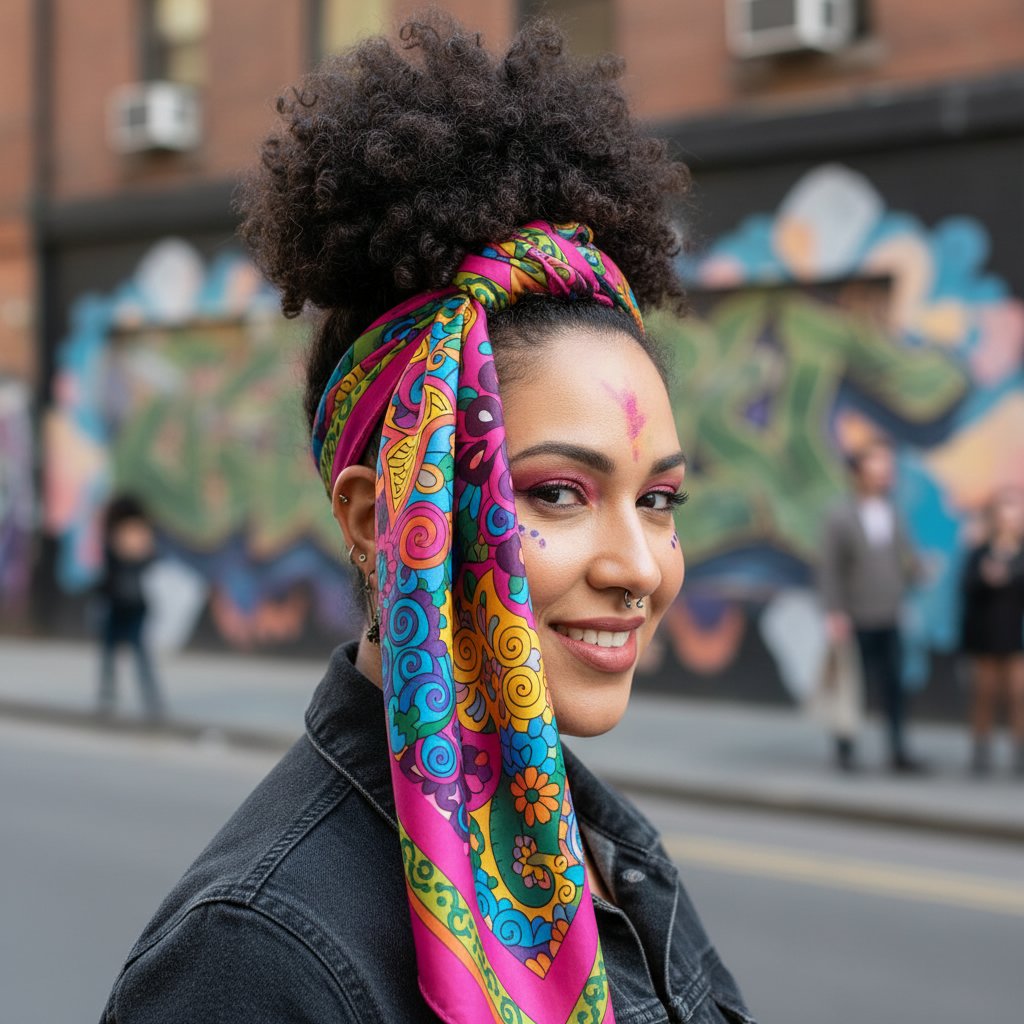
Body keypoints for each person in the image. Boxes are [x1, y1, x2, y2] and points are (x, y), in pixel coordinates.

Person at [99, 18, 755, 1024]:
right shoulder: (251, 958)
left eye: (657, 498)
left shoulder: (604, 856)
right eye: (556, 492)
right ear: (376, 514)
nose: (640, 566)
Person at [818, 438, 925, 773]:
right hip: (855, 615)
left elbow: (902, 558)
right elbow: (829, 567)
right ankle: (846, 748)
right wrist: (834, 611)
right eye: (875, 470)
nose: (883, 476)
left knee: (893, 685)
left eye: (885, 470)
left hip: (889, 613)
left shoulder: (892, 512)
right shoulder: (840, 515)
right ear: (857, 475)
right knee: (853, 687)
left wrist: (917, 571)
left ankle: (897, 748)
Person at [960, 489, 1024, 777]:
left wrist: (1009, 574)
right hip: (986, 634)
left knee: (1018, 694)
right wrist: (985, 578)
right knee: (984, 694)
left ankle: (1019, 750)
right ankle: (981, 750)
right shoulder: (980, 552)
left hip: (1016, 634)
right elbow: (966, 587)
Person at [95, 495, 164, 720]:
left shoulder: (140, 543)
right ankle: (108, 698)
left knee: (140, 657)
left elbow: (149, 564)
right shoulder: (112, 544)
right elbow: (107, 570)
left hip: (133, 606)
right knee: (110, 655)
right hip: (116, 605)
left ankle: (152, 702)